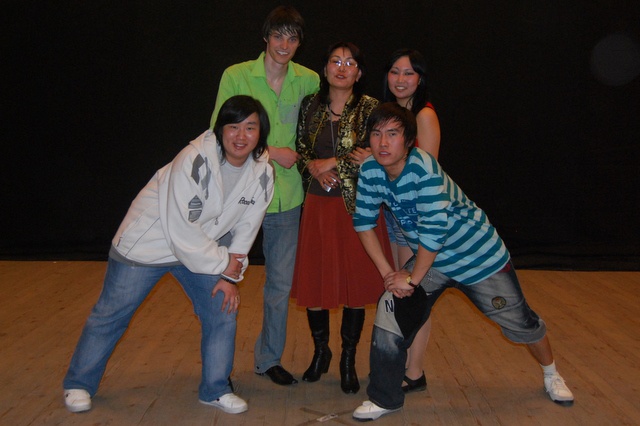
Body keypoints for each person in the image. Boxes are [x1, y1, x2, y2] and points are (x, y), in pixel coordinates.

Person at [351, 103, 574, 421]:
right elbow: (363, 223)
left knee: (521, 323)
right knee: (391, 306)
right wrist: (390, 275)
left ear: (409, 141)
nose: (383, 143)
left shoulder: (423, 168)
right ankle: (385, 398)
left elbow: (434, 232)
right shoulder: (371, 171)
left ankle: (551, 373)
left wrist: (411, 279)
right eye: (376, 134)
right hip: (432, 262)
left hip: (478, 258)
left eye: (392, 134)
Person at [62, 95, 274, 415]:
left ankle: (215, 389)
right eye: (233, 127)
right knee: (111, 315)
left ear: (261, 132)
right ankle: (79, 383)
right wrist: (224, 263)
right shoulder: (193, 159)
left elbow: (247, 227)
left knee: (222, 310)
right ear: (220, 130)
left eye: (250, 127)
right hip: (149, 245)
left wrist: (230, 276)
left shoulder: (263, 172)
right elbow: (180, 230)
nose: (241, 135)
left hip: (202, 248)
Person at [210, 5, 320, 386]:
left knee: (280, 285)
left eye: (292, 38)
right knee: (223, 278)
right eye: (278, 36)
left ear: (299, 43)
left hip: (286, 198)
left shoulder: (309, 80)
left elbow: (320, 129)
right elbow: (218, 132)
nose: (284, 45)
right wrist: (271, 152)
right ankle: (217, 368)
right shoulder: (236, 75)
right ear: (265, 37)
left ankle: (269, 358)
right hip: (237, 197)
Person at [291, 41, 392, 394]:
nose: (342, 68)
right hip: (318, 204)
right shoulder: (310, 104)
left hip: (357, 206)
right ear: (325, 69)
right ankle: (321, 352)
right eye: (335, 61)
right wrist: (313, 170)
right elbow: (302, 149)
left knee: (353, 287)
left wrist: (331, 163)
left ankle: (348, 359)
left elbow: (372, 151)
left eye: (350, 63)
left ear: (359, 73)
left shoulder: (371, 108)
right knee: (316, 282)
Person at [382, 48, 442, 394]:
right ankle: (402, 364)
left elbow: (426, 174)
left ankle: (414, 372)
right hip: (392, 214)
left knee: (413, 293)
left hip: (414, 218)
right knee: (398, 289)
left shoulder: (424, 116)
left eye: (408, 73)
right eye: (394, 71)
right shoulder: (390, 114)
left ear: (420, 78)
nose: (400, 79)